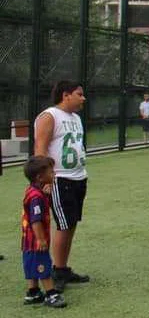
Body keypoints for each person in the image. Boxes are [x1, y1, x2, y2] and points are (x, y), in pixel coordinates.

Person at [33, 80, 90, 292]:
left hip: (78, 178)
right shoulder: (49, 116)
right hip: (60, 180)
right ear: (66, 95)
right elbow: (40, 149)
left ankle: (63, 267)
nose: (83, 98)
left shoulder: (76, 118)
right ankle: (56, 271)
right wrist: (45, 180)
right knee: (64, 225)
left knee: (71, 223)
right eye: (79, 94)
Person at [21, 156, 67, 308]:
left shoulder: (33, 191)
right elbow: (36, 220)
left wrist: (46, 195)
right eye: (51, 172)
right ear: (40, 177)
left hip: (27, 241)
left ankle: (33, 292)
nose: (54, 174)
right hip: (36, 242)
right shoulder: (36, 197)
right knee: (43, 266)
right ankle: (50, 294)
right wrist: (41, 239)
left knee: (31, 265)